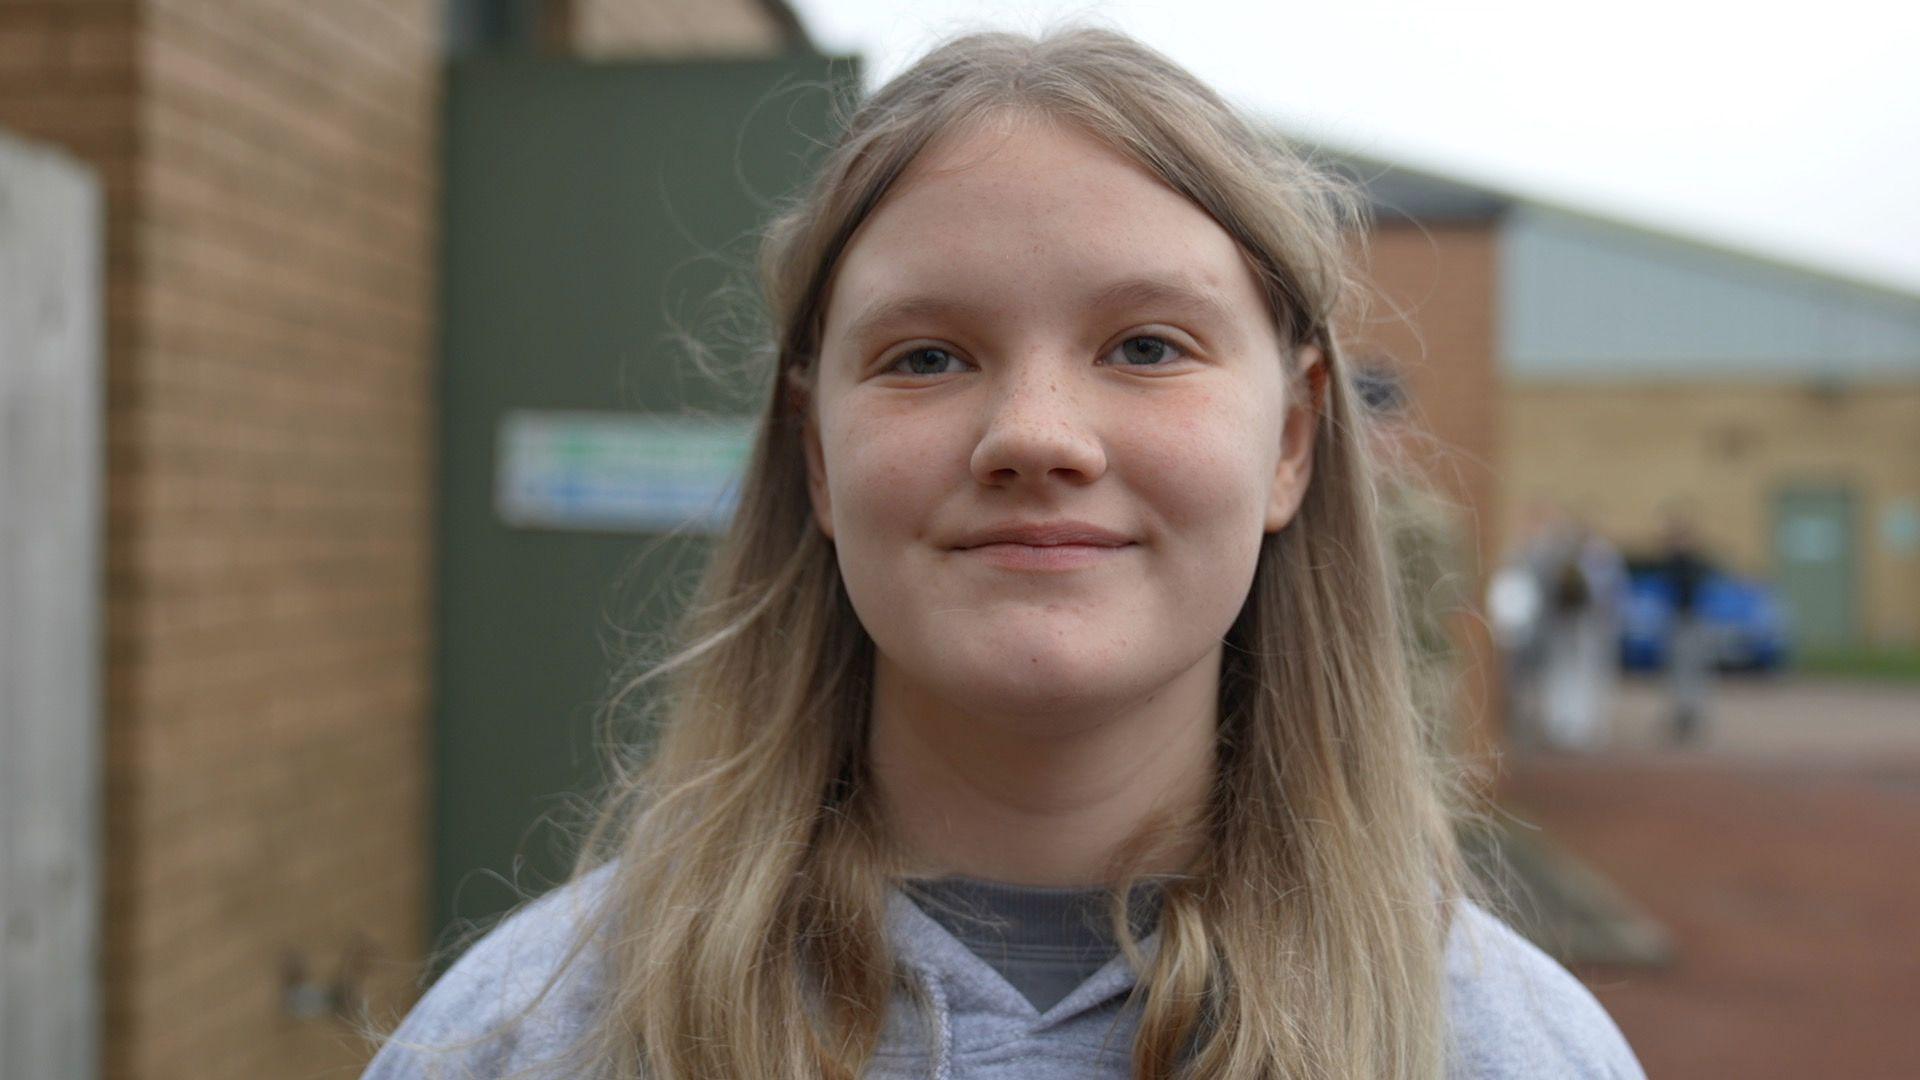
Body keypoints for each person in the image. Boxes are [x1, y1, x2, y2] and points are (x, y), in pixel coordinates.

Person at [363, 28, 1642, 1079]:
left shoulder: (1508, 1052)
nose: (1035, 436)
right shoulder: (526, 1039)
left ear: (1294, 439)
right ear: (816, 454)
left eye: (1146, 347)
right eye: (926, 356)